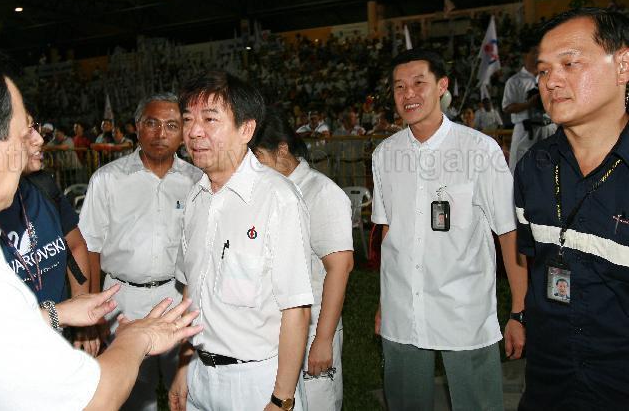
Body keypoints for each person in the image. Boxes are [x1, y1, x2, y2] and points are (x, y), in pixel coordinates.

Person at [0, 34, 202, 410]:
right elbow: (90, 401)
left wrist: (59, 312)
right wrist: (138, 338)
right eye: (22, 134)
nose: (34, 145)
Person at [371, 49, 528, 411]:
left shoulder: (479, 150)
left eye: (418, 83)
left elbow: (508, 233)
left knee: (478, 405)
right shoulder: (384, 155)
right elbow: (388, 233)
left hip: (464, 311)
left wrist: (519, 311)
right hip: (403, 309)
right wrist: (384, 302)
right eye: (399, 87)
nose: (408, 94)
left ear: (442, 86)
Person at [169, 71, 314, 411]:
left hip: (256, 382)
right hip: (199, 376)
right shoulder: (196, 197)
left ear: (246, 130)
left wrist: (281, 399)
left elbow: (296, 309)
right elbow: (192, 290)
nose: (194, 132)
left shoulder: (277, 199)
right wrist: (182, 367)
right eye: (188, 119)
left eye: (210, 119)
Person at [515, 8, 629, 409]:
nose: (551, 81)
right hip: (549, 380)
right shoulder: (534, 167)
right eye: (544, 71)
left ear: (623, 65)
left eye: (570, 63)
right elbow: (534, 261)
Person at [80, 92, 202, 411]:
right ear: (137, 127)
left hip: (178, 296)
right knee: (130, 394)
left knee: (186, 393)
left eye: (172, 125)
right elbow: (89, 246)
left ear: (183, 131)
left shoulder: (196, 182)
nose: (161, 134)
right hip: (122, 300)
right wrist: (93, 310)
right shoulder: (107, 180)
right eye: (152, 123)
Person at [250, 108, 353, 411]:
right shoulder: (266, 191)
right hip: (274, 327)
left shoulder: (321, 193)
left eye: (257, 157)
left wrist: (322, 339)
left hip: (313, 325)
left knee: (316, 403)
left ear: (281, 149)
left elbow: (340, 267)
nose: (252, 167)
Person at [0, 112, 99, 354]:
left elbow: (76, 245)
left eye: (36, 128)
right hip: (15, 350)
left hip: (64, 338)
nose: (39, 139)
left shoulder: (43, 187)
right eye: (27, 131)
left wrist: (79, 306)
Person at [502, 40, 546, 171]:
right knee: (519, 169)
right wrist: (529, 104)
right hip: (525, 129)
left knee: (549, 171)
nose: (538, 56)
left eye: (540, 52)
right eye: (534, 52)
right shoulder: (514, 81)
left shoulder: (549, 77)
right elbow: (506, 108)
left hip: (548, 127)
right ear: (524, 55)